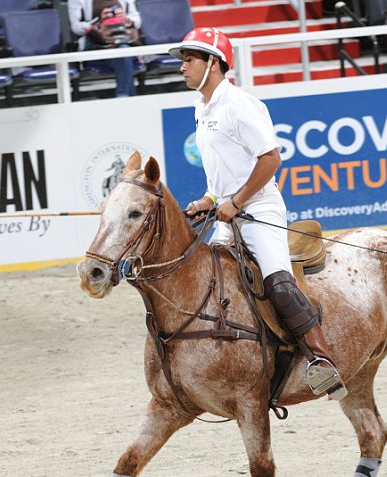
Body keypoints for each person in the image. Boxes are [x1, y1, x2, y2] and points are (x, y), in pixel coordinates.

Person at [169, 27, 347, 401]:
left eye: (190, 59)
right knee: (210, 283)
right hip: (228, 214)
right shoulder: (202, 107)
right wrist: (209, 198)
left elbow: (270, 159)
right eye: (182, 60)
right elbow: (224, 169)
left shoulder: (238, 104)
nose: (182, 66)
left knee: (277, 282)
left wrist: (236, 201)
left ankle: (322, 361)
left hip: (259, 207)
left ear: (214, 63)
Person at [68, 0, 141, 98]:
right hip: (96, 47)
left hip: (123, 40)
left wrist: (126, 18)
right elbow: (76, 27)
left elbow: (137, 22)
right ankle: (125, 98)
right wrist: (99, 21)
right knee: (125, 57)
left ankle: (123, 96)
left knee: (123, 52)